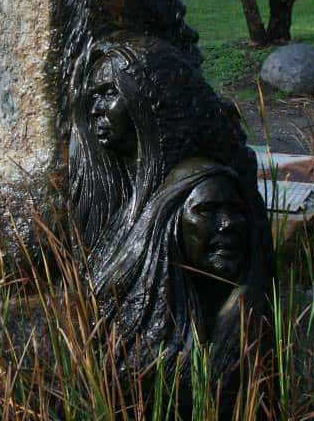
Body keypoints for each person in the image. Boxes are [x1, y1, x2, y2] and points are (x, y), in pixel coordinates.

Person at [68, 31, 273, 418]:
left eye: (110, 94)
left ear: (149, 100)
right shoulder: (117, 189)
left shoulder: (198, 186)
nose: (98, 109)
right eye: (93, 96)